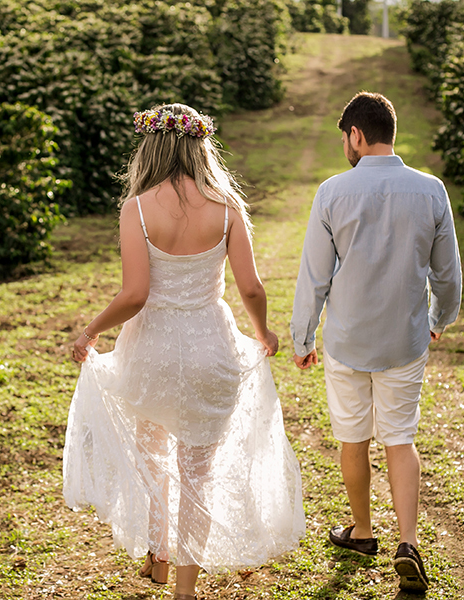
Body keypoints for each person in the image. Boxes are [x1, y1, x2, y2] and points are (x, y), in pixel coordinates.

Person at [63, 104, 305, 600]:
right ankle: (185, 592)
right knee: (200, 471)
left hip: (149, 349)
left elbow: (134, 295)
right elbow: (252, 288)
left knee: (152, 451)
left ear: (150, 148)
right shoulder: (227, 206)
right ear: (201, 147)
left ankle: (159, 550)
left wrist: (89, 332)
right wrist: (264, 332)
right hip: (209, 348)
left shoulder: (136, 208)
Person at [290, 91, 462, 593]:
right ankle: (408, 542)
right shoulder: (431, 190)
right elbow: (447, 274)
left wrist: (303, 338)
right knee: (400, 438)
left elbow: (313, 277)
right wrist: (439, 318)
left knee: (353, 438)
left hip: (346, 341)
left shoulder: (331, 192)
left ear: (356, 136)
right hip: (405, 340)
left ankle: (363, 532)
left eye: (346, 137)